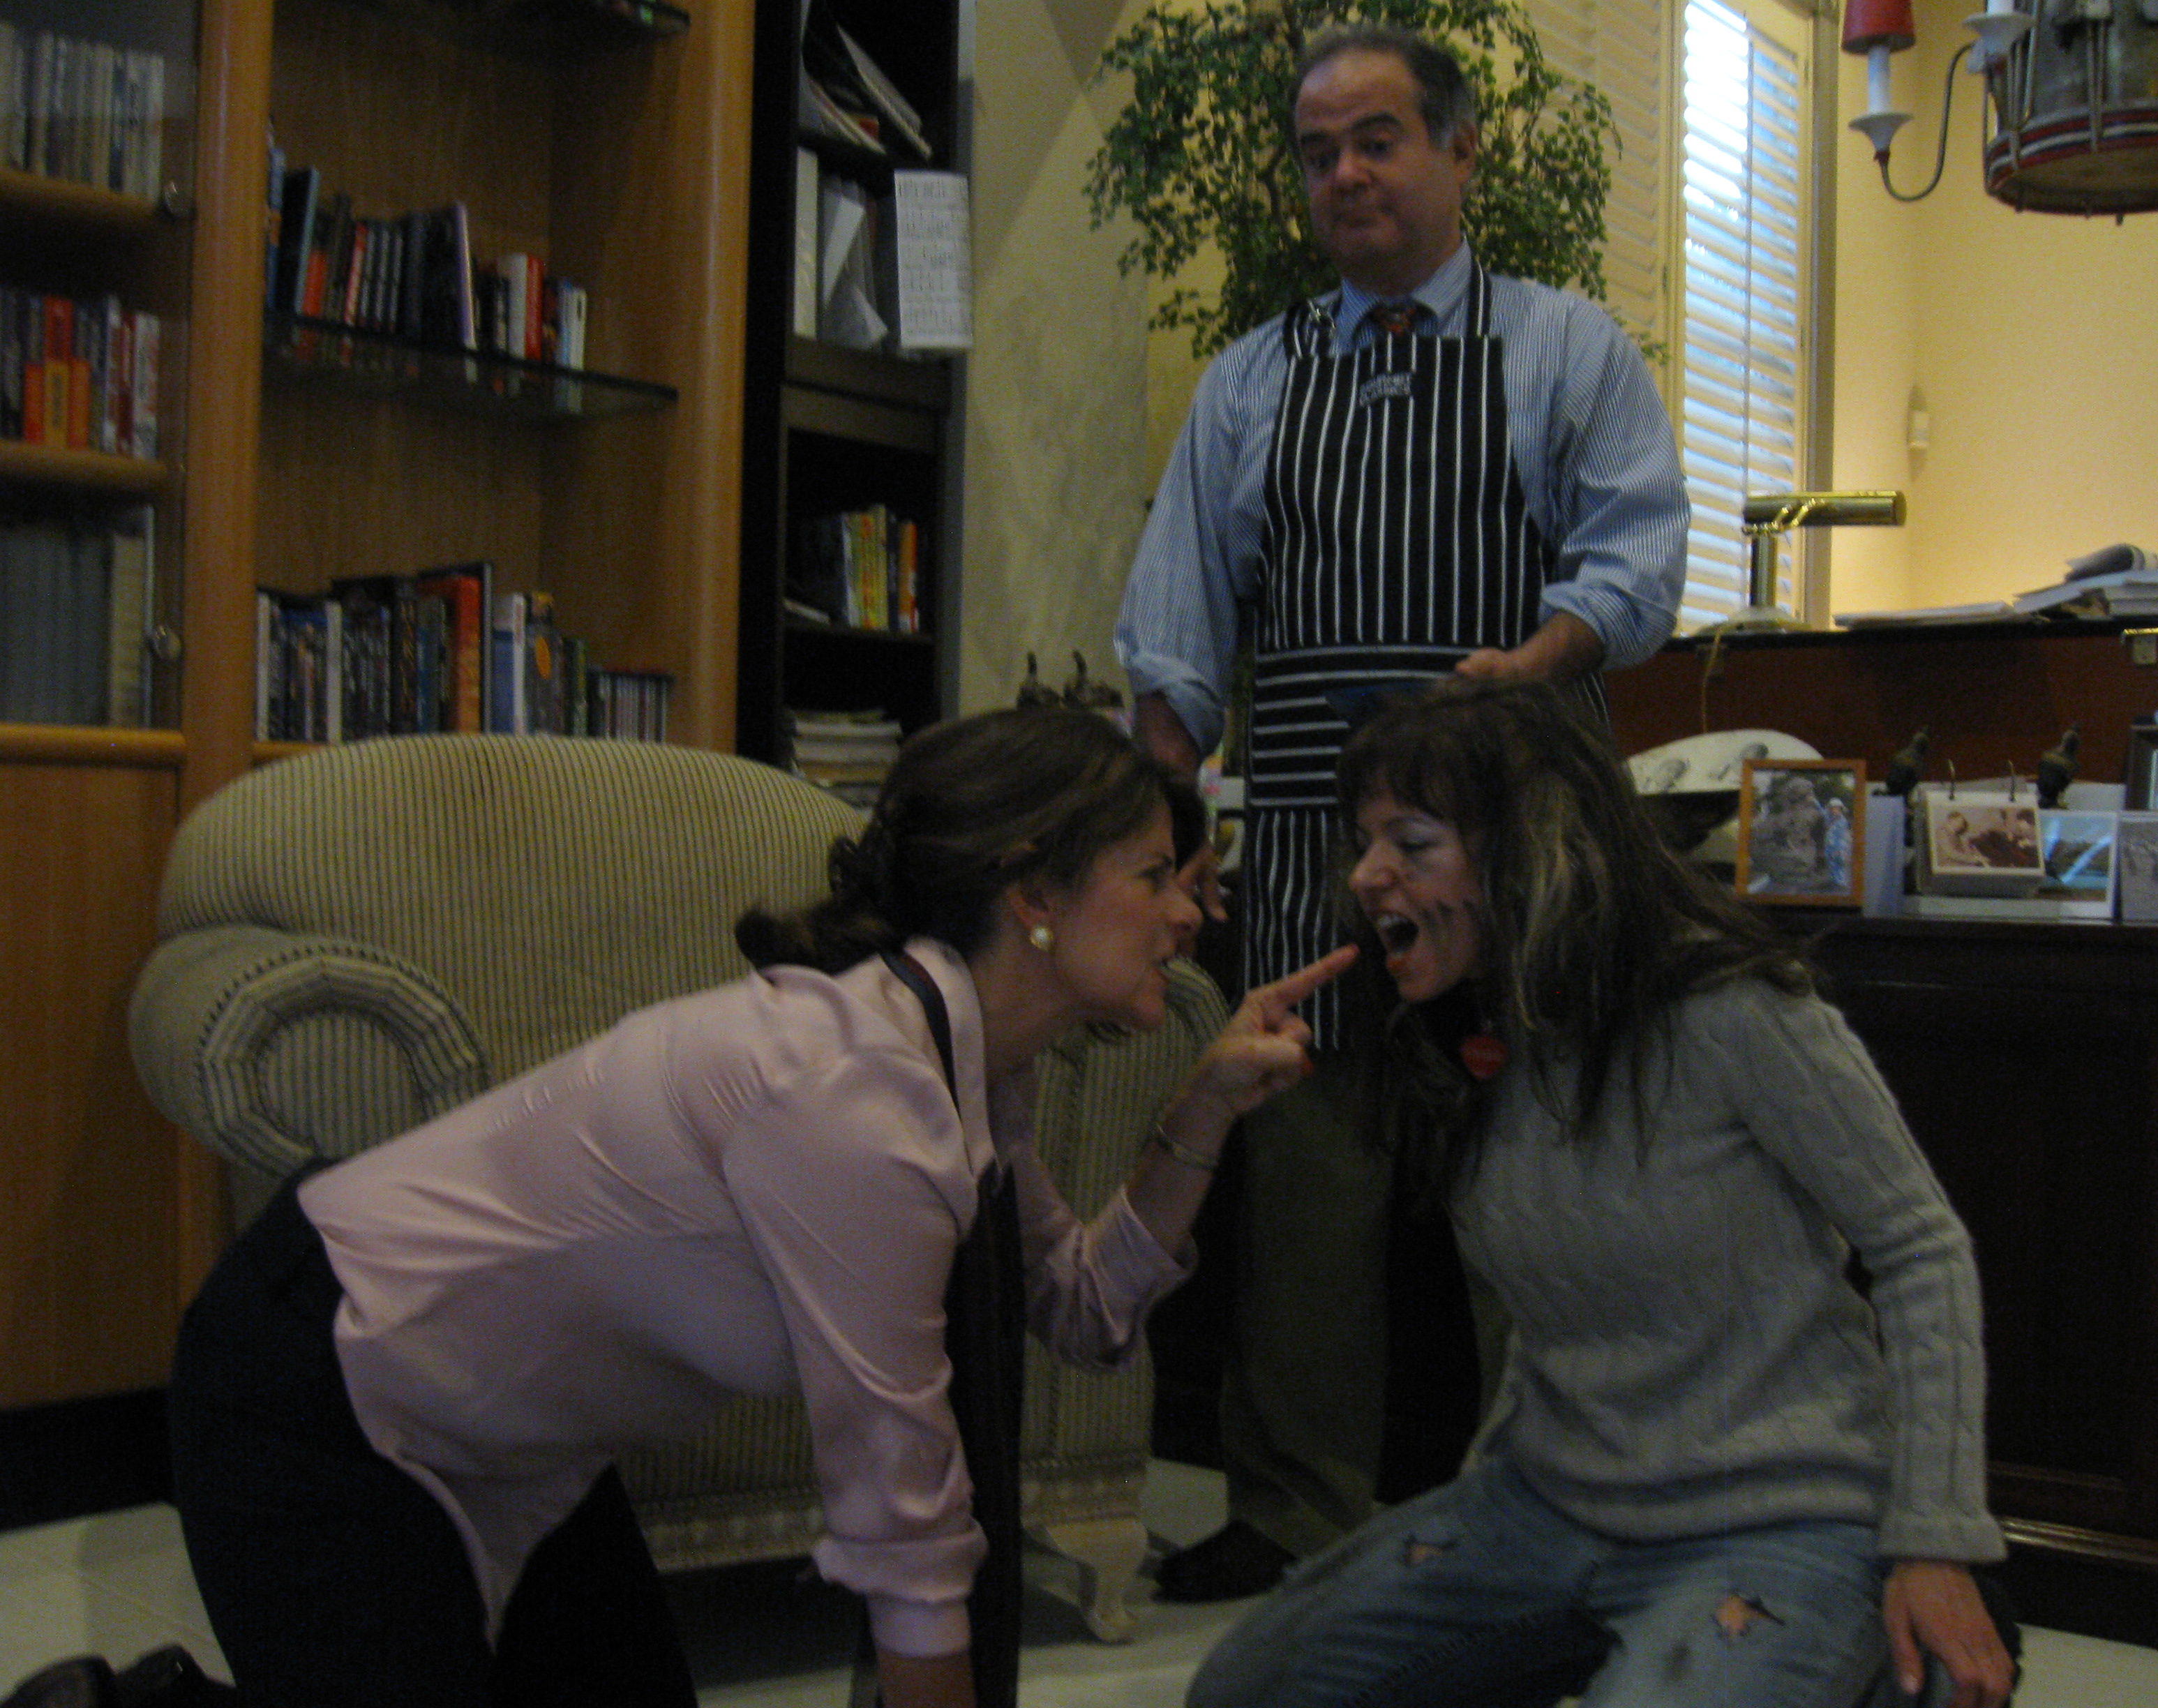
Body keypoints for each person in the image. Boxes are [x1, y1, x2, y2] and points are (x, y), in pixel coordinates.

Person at [166, 706, 1353, 1708]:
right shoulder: (855, 1098)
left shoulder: (972, 1068)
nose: (1192, 913)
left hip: (517, 1436)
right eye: (1154, 876)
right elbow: (906, 1528)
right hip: (328, 1372)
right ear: (1033, 886)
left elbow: (1084, 1313)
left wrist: (1205, 1110)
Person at [1113, 20, 1688, 1598]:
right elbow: (1176, 632)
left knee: (1543, 1190)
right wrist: (1154, 823)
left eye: (1378, 140)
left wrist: (1524, 671)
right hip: (1315, 850)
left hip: (1523, 854)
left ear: (1459, 150)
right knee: (1305, 1193)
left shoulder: (1568, 350)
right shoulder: (1250, 381)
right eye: (1319, 154)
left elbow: (1636, 569)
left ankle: (1560, 1510)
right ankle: (1292, 1515)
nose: (1346, 174)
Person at [1187, 677, 2016, 1708]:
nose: (1367, 876)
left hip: (1784, 1514)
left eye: (1412, 843)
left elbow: (1921, 1246)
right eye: (1364, 844)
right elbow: (1560, 1304)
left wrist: (1937, 1540)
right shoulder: (1469, 1026)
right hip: (1550, 1504)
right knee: (1248, 1690)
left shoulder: (1731, 1006)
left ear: (1529, 851)